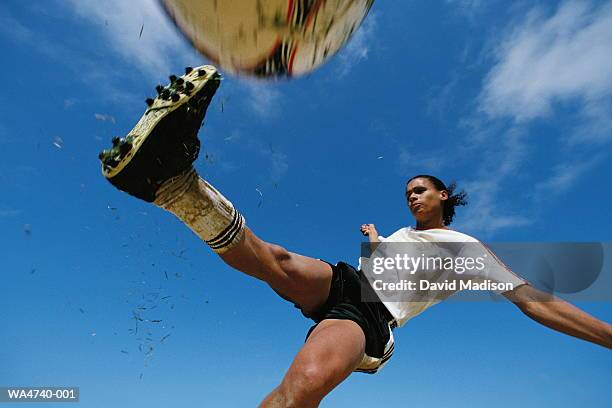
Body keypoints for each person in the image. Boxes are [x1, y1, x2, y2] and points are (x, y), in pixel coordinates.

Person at [99, 65, 612, 407]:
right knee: (276, 259)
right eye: (408, 191)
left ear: (444, 200)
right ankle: (175, 185)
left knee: (302, 385)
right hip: (348, 282)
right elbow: (383, 265)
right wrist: (372, 240)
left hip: (370, 316)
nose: (412, 197)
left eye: (422, 191)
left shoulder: (467, 251)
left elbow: (533, 302)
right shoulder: (396, 236)